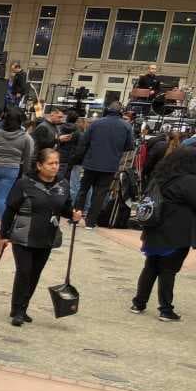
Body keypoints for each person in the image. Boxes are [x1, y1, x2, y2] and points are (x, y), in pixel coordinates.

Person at [0, 146, 81, 327]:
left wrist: (73, 214)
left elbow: (65, 208)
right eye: (50, 163)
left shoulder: (63, 185)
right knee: (24, 272)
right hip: (23, 235)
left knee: (35, 274)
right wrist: (3, 235)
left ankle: (23, 307)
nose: (55, 167)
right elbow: (10, 210)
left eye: (57, 163)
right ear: (39, 165)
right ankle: (18, 310)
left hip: (46, 236)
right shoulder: (24, 183)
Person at [131, 145, 196, 322]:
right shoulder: (189, 181)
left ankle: (138, 302)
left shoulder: (160, 176)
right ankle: (166, 309)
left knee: (150, 267)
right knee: (169, 270)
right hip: (176, 233)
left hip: (154, 229)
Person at [77, 101, 133, 229]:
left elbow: (84, 142)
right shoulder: (126, 126)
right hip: (110, 165)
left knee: (83, 190)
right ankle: (90, 223)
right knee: (100, 194)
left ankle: (75, 217)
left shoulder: (95, 123)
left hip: (91, 163)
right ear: (120, 112)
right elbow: (129, 145)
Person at [0, 108, 33, 233]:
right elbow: (27, 156)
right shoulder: (25, 137)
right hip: (12, 168)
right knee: (2, 197)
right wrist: (25, 171)